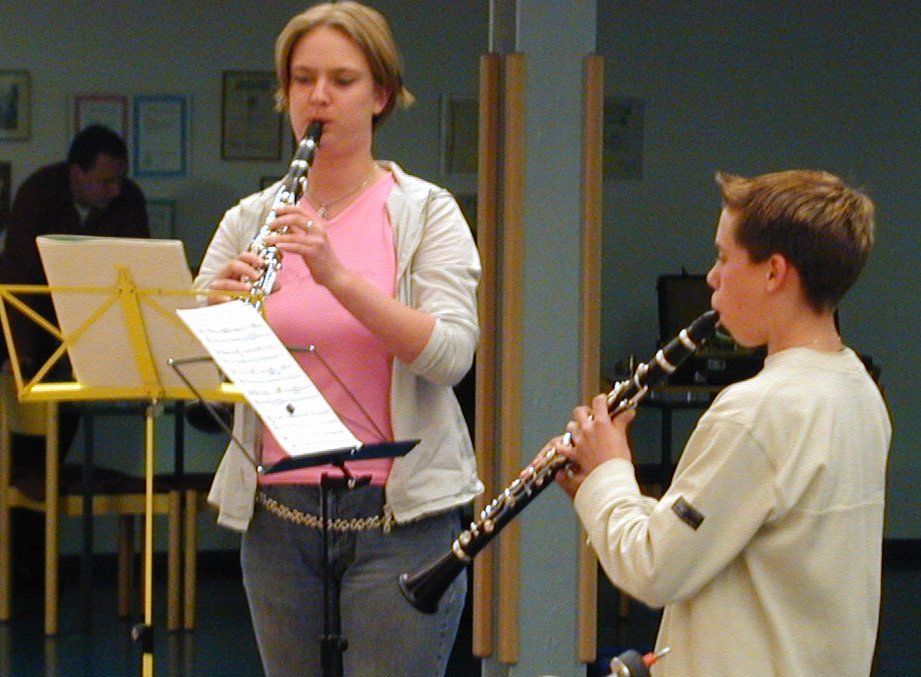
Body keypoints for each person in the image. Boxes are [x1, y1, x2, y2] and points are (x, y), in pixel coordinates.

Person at [193, 3, 481, 676]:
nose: (318, 96)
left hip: (399, 518)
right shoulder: (248, 218)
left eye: (342, 80)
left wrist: (337, 277)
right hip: (278, 514)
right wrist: (221, 317)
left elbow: (450, 355)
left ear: (381, 95)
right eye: (302, 79)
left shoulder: (426, 212)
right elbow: (197, 369)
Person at [549, 170, 890, 676]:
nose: (712, 277)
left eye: (723, 257)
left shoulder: (756, 410)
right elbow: (718, 534)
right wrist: (594, 490)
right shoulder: (857, 389)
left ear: (774, 272)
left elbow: (654, 568)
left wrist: (609, 473)